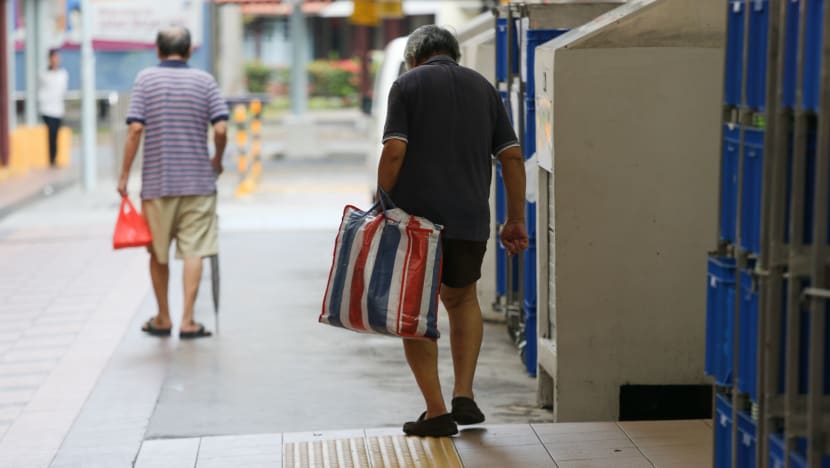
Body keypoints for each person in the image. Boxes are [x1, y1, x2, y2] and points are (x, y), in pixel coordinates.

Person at [378, 25, 529, 437]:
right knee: (462, 300)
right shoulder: (483, 88)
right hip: (469, 220)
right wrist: (515, 219)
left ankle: (437, 411)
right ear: (454, 54)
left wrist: (380, 202)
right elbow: (512, 159)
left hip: (415, 225)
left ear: (413, 58)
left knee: (414, 313)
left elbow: (394, 151)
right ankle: (465, 394)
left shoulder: (406, 85)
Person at [117, 26, 228, 340]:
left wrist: (124, 175)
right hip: (198, 184)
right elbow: (220, 130)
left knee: (158, 253)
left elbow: (135, 129)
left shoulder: (146, 80)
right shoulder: (205, 81)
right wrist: (216, 161)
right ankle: (189, 321)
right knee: (195, 251)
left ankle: (163, 317)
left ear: (158, 51)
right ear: (190, 50)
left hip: (157, 184)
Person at [38, 49, 68, 167]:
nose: (55, 60)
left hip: (58, 109)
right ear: (49, 59)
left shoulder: (62, 74)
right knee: (50, 133)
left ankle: (54, 158)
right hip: (46, 109)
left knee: (56, 134)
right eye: (53, 57)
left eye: (57, 57)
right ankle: (51, 159)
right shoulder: (43, 74)